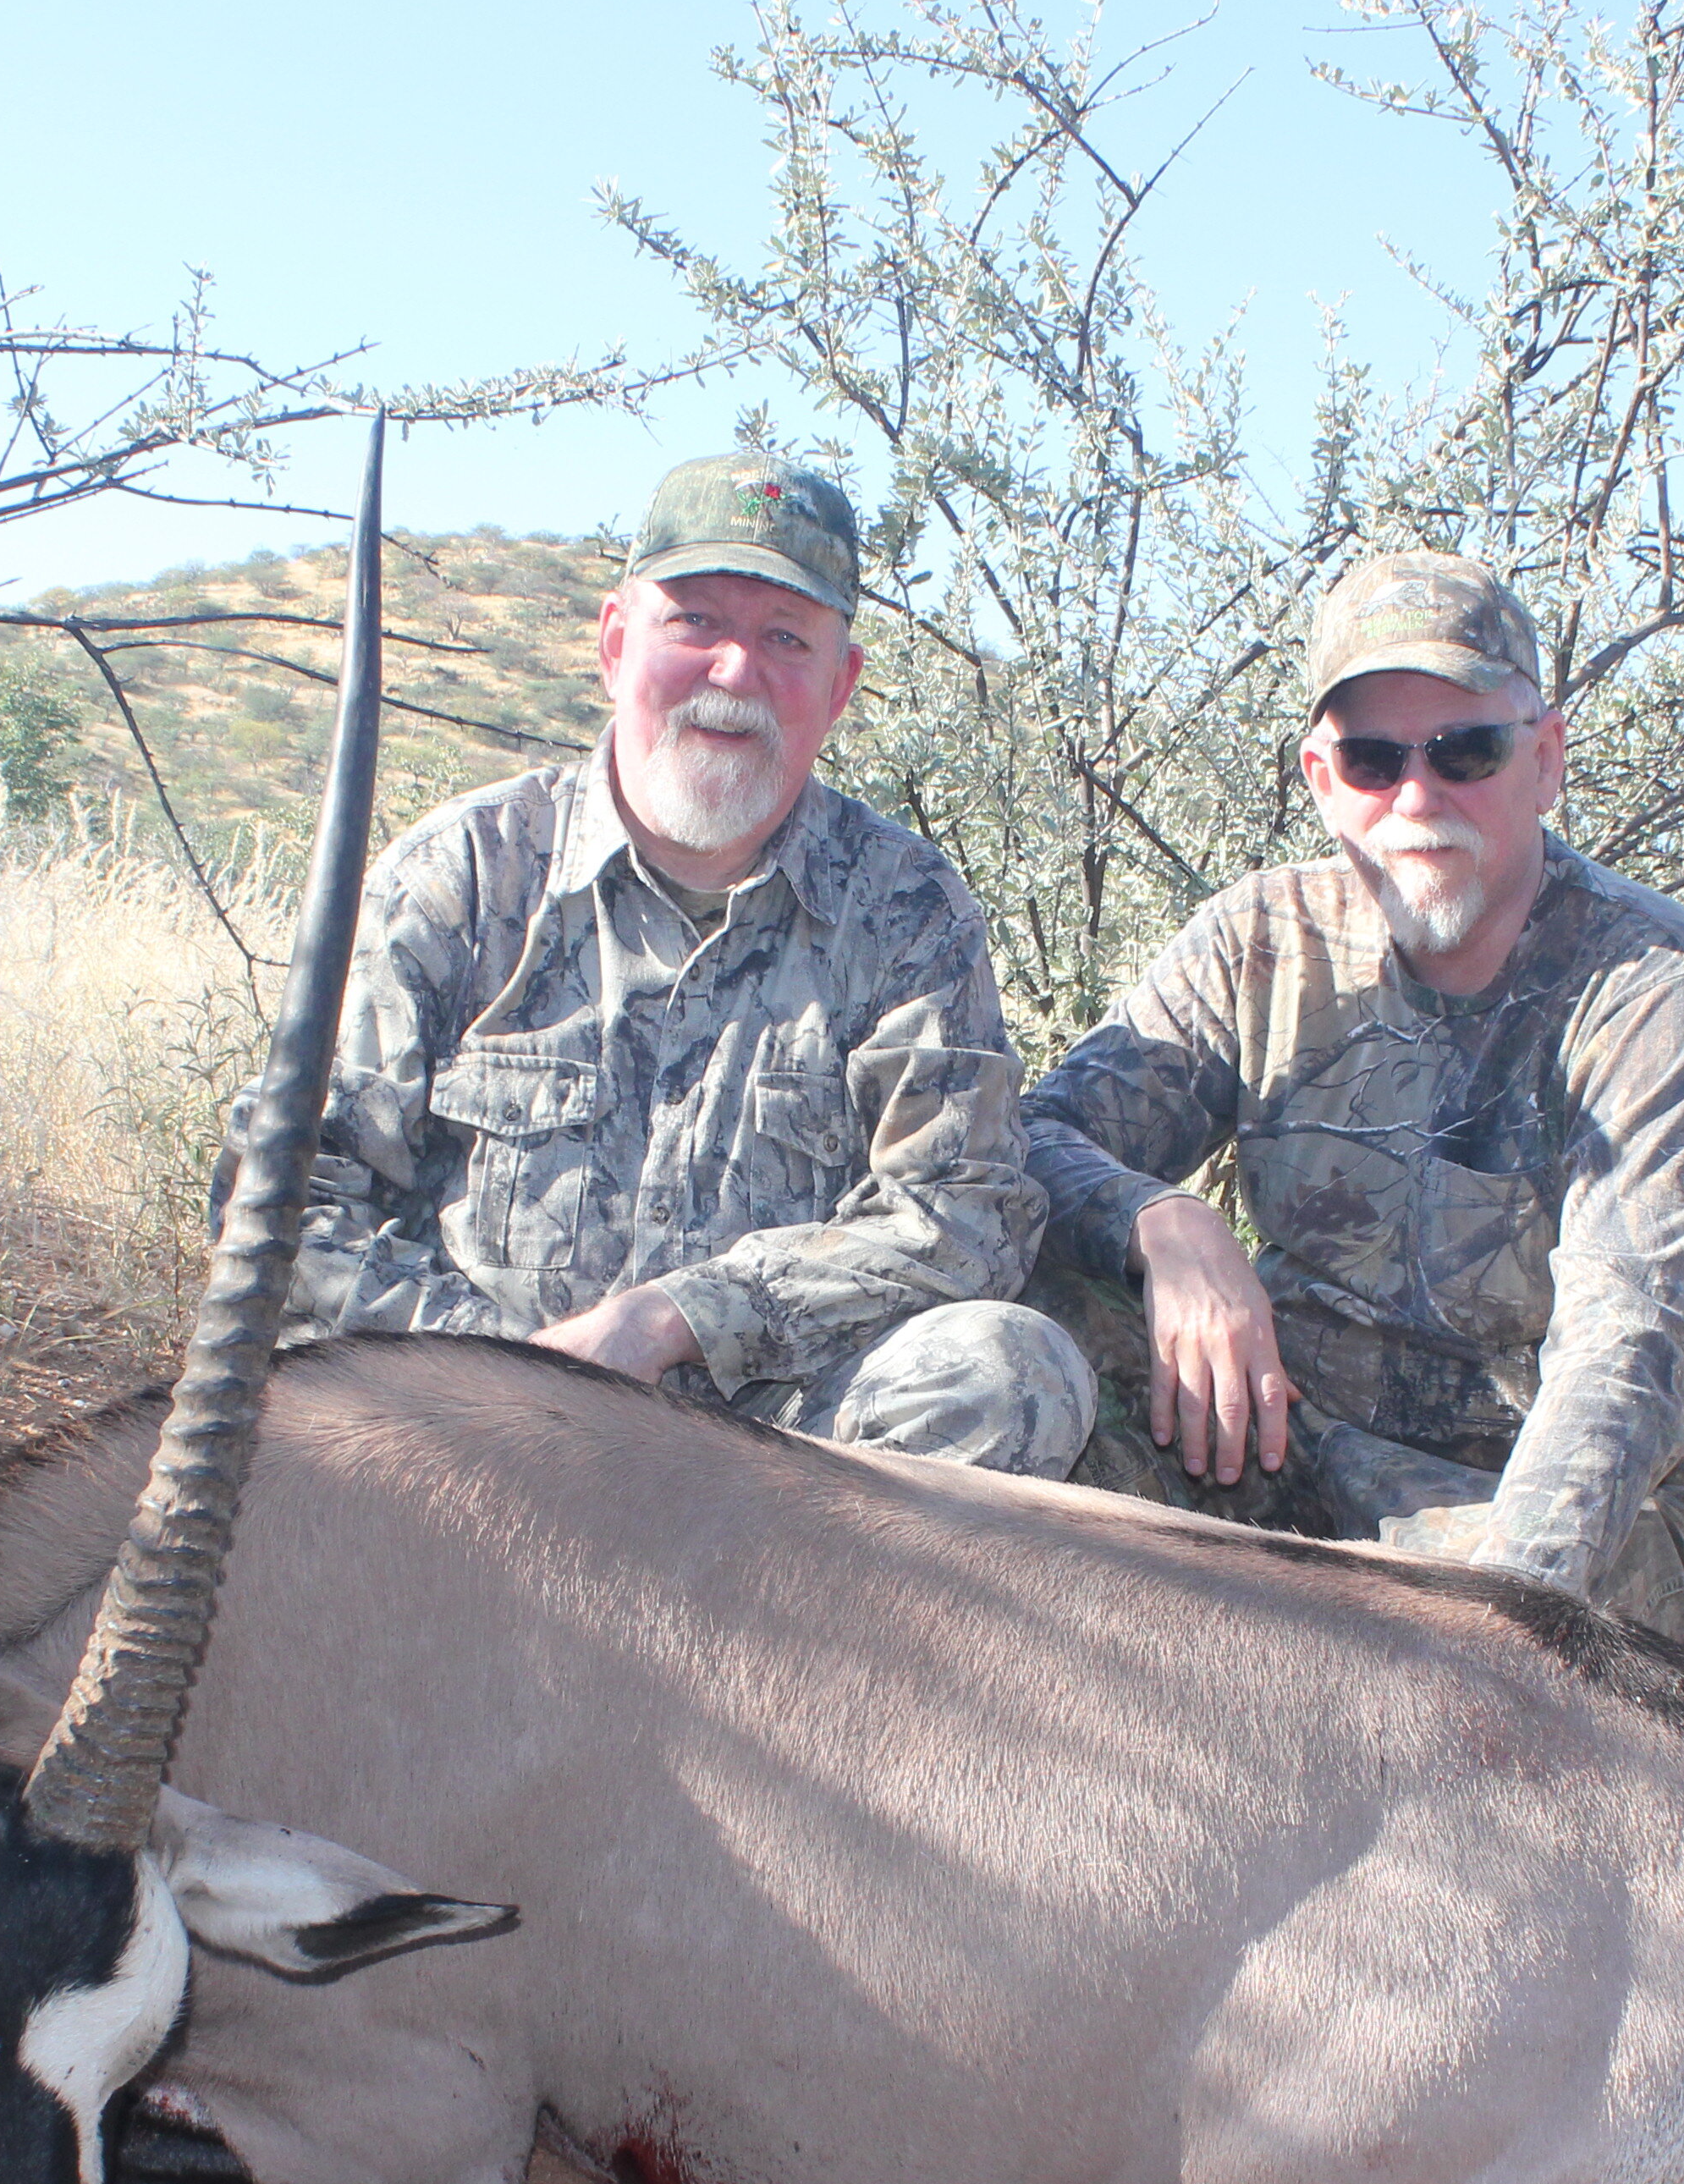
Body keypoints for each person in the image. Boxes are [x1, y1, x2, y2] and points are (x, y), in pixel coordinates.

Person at [277, 450, 1094, 1477]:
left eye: (784, 638)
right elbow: (294, 1202)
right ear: (617, 645)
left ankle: (779, 1641)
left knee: (1009, 1372)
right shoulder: (460, 876)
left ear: (839, 688)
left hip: (759, 1477)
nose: (735, 672)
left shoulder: (907, 910)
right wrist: (507, 1375)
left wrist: (677, 1319)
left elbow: (962, 1212)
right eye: (696, 623)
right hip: (467, 1437)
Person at [1017, 549, 1684, 1649]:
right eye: (1376, 760)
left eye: (1467, 749)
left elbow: (1630, 1357)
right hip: (1296, 1453)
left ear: (1546, 758)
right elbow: (1032, 1139)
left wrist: (1492, 1638)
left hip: (1561, 1511)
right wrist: (1164, 1222)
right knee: (1017, 1320)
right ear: (1324, 782)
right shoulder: (1260, 943)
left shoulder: (1653, 990)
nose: (1419, 797)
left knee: (1432, 1665)